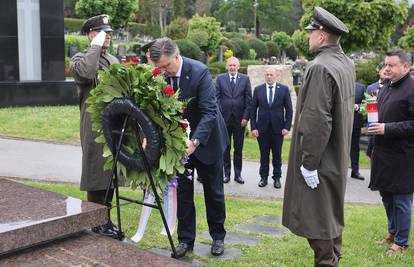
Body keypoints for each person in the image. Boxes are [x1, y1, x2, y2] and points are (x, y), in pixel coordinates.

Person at [282, 7, 355, 266]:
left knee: (319, 219)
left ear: (322, 36)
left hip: (321, 160)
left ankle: (328, 262)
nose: (308, 36)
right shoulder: (345, 63)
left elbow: (316, 120)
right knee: (330, 213)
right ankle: (333, 258)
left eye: (311, 32)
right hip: (336, 155)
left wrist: (309, 163)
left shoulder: (320, 67)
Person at [149, 37, 229, 258]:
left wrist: (194, 142)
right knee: (183, 192)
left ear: (177, 56)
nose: (163, 71)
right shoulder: (159, 75)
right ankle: (185, 240)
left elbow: (209, 112)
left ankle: (218, 237)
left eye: (166, 66)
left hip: (207, 141)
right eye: (159, 68)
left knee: (213, 192)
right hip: (178, 145)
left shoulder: (199, 72)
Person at [70, 15, 120, 238]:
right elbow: (87, 74)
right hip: (93, 124)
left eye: (108, 32)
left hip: (114, 123)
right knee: (95, 172)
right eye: (102, 32)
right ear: (91, 34)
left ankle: (106, 218)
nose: (108, 36)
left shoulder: (113, 60)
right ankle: (96, 220)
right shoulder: (81, 59)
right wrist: (95, 46)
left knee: (111, 173)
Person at [368, 49, 414, 255]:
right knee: (386, 196)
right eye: (385, 64)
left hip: (404, 156)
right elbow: (378, 117)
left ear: (406, 67)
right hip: (383, 154)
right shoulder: (386, 87)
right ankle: (393, 232)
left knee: (402, 200)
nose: (386, 68)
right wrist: (371, 146)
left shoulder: (412, 88)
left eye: (391, 65)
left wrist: (387, 129)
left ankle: (402, 242)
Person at [250, 67, 293, 189]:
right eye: (267, 74)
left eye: (271, 75)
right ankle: (263, 178)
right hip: (262, 129)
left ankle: (277, 178)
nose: (269, 77)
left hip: (278, 129)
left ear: (276, 76)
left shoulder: (283, 90)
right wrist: (253, 127)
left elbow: (289, 110)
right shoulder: (258, 90)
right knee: (264, 155)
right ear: (265, 75)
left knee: (277, 155)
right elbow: (253, 111)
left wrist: (287, 126)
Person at [216, 56, 252, 184]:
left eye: (234, 65)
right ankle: (226, 174)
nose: (232, 67)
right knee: (225, 147)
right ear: (227, 66)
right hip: (224, 120)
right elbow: (217, 98)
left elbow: (249, 100)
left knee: (238, 148)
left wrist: (245, 117)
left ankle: (238, 174)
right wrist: (219, 116)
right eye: (230, 65)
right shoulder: (220, 79)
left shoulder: (245, 79)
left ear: (238, 66)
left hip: (239, 120)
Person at [350, 82, 366, 180]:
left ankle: (355, 171)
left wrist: (357, 107)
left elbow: (365, 103)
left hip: (355, 122)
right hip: (340, 122)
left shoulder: (361, 87)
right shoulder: (340, 83)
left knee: (355, 148)